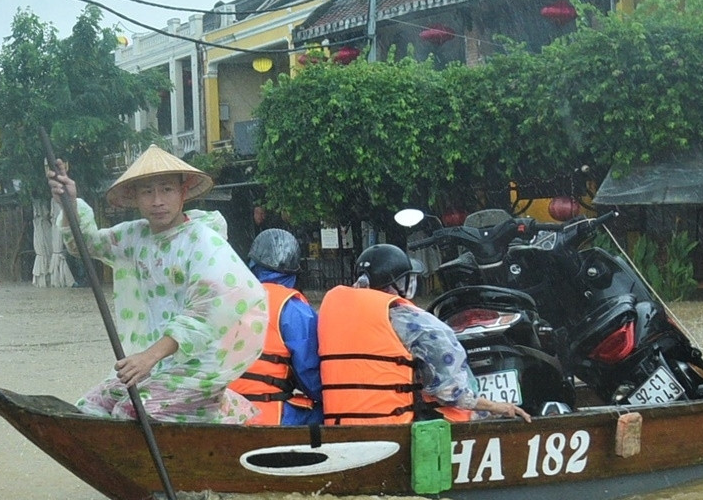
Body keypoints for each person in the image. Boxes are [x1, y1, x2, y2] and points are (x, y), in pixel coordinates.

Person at [47, 145, 267, 424]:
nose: (157, 201)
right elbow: (85, 244)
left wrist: (148, 357)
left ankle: (212, 411)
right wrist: (69, 203)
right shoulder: (134, 236)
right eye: (147, 192)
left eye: (166, 190)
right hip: (157, 361)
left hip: (201, 362)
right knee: (92, 406)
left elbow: (205, 314)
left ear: (183, 192)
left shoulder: (203, 241)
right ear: (135, 197)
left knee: (130, 412)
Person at [318, 244, 531, 425]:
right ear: (399, 283)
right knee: (466, 413)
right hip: (395, 427)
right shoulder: (410, 321)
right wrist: (495, 407)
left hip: (339, 425)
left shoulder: (331, 313)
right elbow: (451, 392)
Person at [230, 229, 322, 426]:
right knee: (327, 411)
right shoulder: (294, 309)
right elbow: (310, 376)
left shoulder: (231, 298)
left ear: (252, 263)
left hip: (225, 412)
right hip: (268, 415)